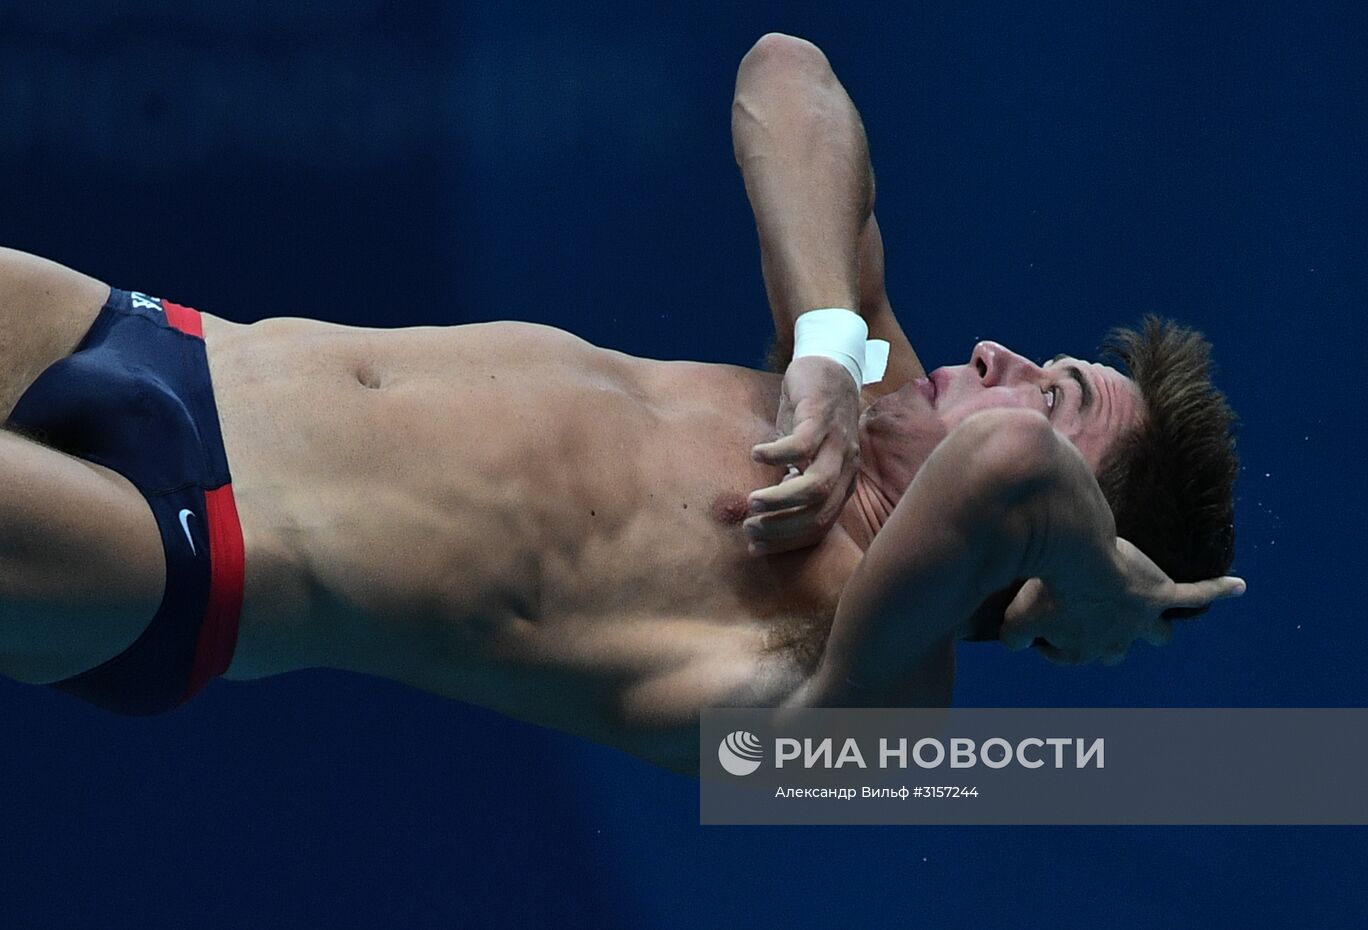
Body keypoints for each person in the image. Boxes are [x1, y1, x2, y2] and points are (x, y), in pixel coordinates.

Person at [0, 33, 1241, 772]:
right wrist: (818, 344)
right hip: (156, 345)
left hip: (177, 553)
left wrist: (1092, 584)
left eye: (1056, 390)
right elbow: (785, 76)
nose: (1001, 354)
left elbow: (1008, 469)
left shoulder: (874, 713)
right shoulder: (852, 388)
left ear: (1043, 568)